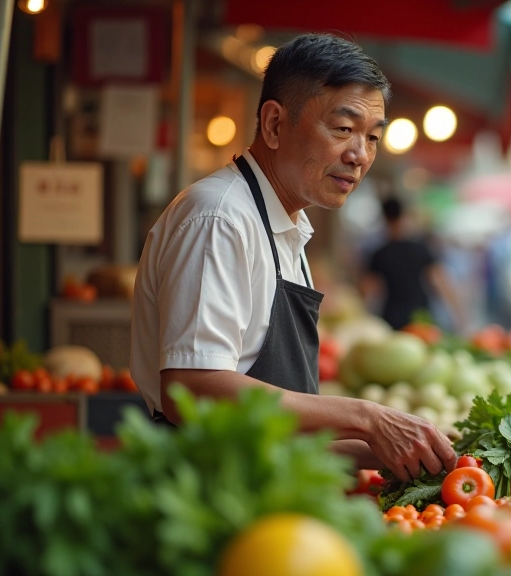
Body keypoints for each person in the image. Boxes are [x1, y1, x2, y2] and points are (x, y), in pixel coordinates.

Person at [130, 34, 456, 481]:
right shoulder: (219, 218)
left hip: (267, 486)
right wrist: (366, 417)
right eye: (343, 129)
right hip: (210, 493)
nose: (360, 155)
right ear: (274, 124)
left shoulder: (286, 225)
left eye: (372, 137)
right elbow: (194, 388)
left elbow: (276, 421)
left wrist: (389, 450)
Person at [361, 197, 467, 332]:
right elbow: (441, 282)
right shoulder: (421, 249)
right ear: (404, 216)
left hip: (392, 317)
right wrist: (459, 316)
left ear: (385, 218)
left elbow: (368, 290)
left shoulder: (380, 254)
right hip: (420, 317)